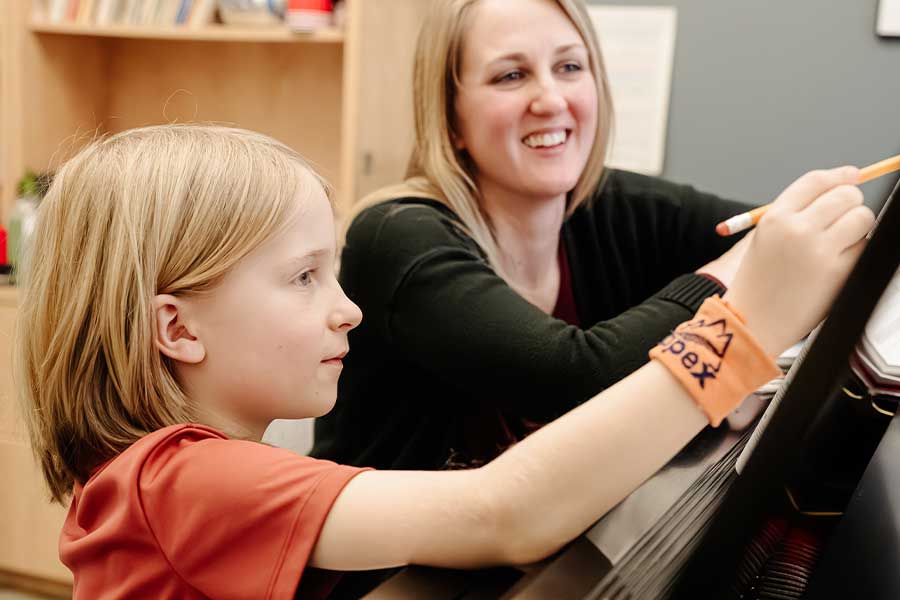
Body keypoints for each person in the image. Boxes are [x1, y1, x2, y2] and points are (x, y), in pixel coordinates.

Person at [16, 124, 869, 599]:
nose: (347, 308)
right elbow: (507, 511)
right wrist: (743, 330)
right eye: (304, 277)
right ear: (177, 328)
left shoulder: (174, 478)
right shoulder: (180, 482)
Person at [311, 0, 801, 471]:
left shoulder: (619, 205)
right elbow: (570, 381)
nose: (551, 100)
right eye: (511, 75)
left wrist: (807, 226)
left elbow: (796, 231)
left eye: (569, 67)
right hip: (398, 533)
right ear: (450, 116)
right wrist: (732, 271)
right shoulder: (397, 236)